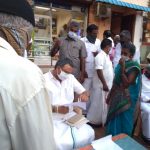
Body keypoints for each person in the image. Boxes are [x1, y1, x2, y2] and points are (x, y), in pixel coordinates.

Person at [0, 1, 56, 150]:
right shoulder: (24, 74)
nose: (28, 45)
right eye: (28, 35)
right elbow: (40, 145)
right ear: (16, 31)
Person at [44, 58, 95, 150]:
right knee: (57, 142)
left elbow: (84, 92)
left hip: (70, 116)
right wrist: (57, 109)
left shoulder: (70, 78)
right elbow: (39, 105)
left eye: (70, 73)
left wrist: (85, 95)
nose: (68, 75)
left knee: (89, 132)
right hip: (52, 118)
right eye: (66, 72)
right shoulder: (44, 80)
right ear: (58, 68)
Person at [106, 42, 141, 136]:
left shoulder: (134, 66)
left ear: (132, 55)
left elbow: (126, 84)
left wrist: (123, 68)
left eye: (125, 54)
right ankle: (112, 138)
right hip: (116, 95)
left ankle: (123, 140)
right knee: (114, 119)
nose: (122, 55)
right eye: (122, 53)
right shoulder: (120, 64)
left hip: (127, 99)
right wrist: (109, 95)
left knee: (124, 119)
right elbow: (116, 81)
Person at [87, 39, 114, 126]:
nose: (111, 48)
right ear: (107, 46)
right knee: (97, 104)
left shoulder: (106, 56)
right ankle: (93, 121)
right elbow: (99, 70)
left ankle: (99, 121)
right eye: (110, 46)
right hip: (100, 85)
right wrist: (104, 84)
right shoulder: (100, 56)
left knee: (102, 105)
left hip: (105, 86)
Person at [81, 24, 101, 112]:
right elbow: (80, 57)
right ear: (88, 33)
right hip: (86, 72)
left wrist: (97, 55)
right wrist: (82, 71)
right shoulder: (81, 41)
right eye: (93, 34)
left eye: (96, 34)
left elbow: (101, 54)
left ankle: (90, 111)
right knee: (84, 92)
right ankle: (82, 111)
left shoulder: (98, 42)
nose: (95, 36)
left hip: (96, 72)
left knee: (93, 92)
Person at [141, 65, 150, 142]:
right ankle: (147, 136)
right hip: (143, 101)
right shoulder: (140, 78)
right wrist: (147, 99)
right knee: (148, 111)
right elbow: (138, 93)